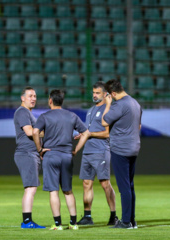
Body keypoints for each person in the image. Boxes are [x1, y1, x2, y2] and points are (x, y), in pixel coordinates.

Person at [32, 89, 90, 230]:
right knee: (68, 190)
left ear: (50, 100)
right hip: (66, 155)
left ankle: (58, 224)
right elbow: (86, 133)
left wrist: (39, 149)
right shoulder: (71, 115)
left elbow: (35, 132)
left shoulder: (45, 116)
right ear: (62, 101)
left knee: (54, 191)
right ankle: (73, 223)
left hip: (51, 155)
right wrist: (76, 150)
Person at [76, 82, 118, 226]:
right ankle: (87, 216)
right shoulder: (90, 110)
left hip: (100, 151)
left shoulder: (109, 110)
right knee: (86, 183)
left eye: (98, 93)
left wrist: (89, 134)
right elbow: (88, 130)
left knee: (105, 183)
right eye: (93, 92)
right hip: (87, 151)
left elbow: (107, 133)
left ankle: (113, 216)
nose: (94, 95)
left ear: (105, 94)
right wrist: (83, 135)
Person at [102, 79, 142, 229]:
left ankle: (126, 222)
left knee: (124, 187)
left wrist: (107, 104)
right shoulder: (135, 103)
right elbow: (138, 125)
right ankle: (132, 220)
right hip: (134, 147)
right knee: (130, 186)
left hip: (121, 149)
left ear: (112, 93)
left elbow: (104, 121)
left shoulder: (119, 104)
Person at [13, 86, 45, 229]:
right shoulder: (22, 112)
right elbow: (30, 132)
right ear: (23, 98)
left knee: (31, 188)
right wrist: (49, 131)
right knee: (30, 188)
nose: (33, 99)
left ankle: (27, 221)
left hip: (30, 153)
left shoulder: (27, 113)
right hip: (26, 153)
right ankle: (27, 222)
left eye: (35, 96)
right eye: (30, 96)